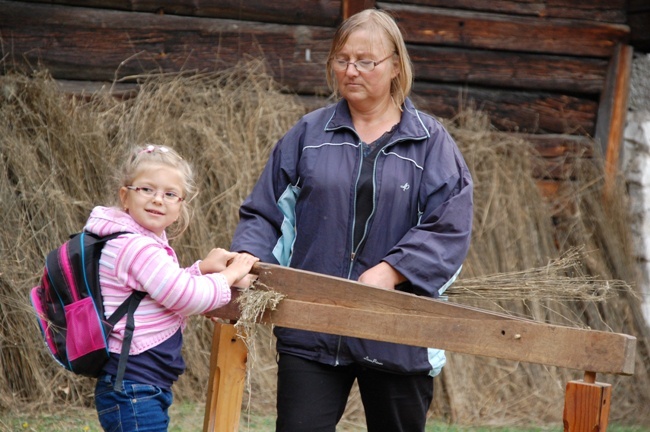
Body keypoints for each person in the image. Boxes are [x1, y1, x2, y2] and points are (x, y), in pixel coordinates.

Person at [230, 8, 473, 432]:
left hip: (399, 332)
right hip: (311, 328)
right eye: (342, 59)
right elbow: (265, 211)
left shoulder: (431, 145)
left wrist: (395, 269)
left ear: (396, 65)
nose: (351, 70)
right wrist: (249, 258)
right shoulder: (309, 135)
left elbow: (449, 227)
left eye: (366, 61)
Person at [88, 144, 258, 431]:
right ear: (124, 196)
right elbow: (184, 297)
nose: (158, 200)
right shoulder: (136, 247)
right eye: (146, 189)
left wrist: (200, 269)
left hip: (139, 384)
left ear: (180, 207)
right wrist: (231, 274)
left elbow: (159, 292)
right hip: (134, 386)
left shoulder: (138, 241)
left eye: (170, 194)